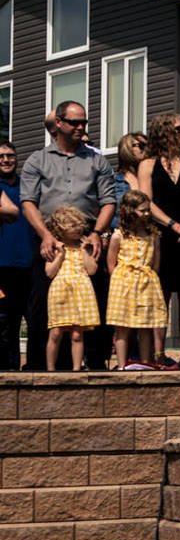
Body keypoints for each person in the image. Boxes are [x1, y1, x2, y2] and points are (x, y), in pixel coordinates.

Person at [19, 101, 116, 371]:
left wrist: (97, 233)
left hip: (86, 239)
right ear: (58, 123)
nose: (80, 127)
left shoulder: (97, 160)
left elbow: (108, 201)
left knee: (93, 303)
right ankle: (42, 368)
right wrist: (46, 236)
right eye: (74, 122)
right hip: (48, 238)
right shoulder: (37, 160)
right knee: (42, 302)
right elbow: (28, 202)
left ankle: (95, 366)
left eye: (83, 122)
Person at [138, 114, 180, 366]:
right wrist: (174, 225)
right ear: (164, 131)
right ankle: (158, 354)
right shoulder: (148, 164)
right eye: (178, 128)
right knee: (161, 294)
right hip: (163, 234)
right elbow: (147, 200)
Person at [106, 190, 166, 369]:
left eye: (148, 210)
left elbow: (156, 263)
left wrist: (149, 279)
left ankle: (145, 363)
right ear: (129, 210)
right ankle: (122, 365)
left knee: (145, 327)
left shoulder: (153, 236)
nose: (146, 214)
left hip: (146, 283)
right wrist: (119, 281)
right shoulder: (119, 235)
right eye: (142, 210)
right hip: (123, 283)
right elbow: (111, 263)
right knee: (122, 328)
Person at [42, 205, 101, 371]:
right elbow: (49, 272)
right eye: (72, 226)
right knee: (55, 332)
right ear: (60, 229)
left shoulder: (85, 247)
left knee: (77, 334)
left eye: (79, 225)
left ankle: (77, 369)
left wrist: (83, 251)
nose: (78, 229)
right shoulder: (55, 247)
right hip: (61, 291)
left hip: (80, 291)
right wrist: (60, 255)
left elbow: (92, 270)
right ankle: (50, 370)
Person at [0, 143, 33, 372]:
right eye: (1, 156)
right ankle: (7, 368)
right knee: (4, 322)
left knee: (34, 320)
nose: (5, 160)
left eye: (10, 155)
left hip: (29, 265)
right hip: (1, 267)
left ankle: (34, 367)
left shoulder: (27, 187)